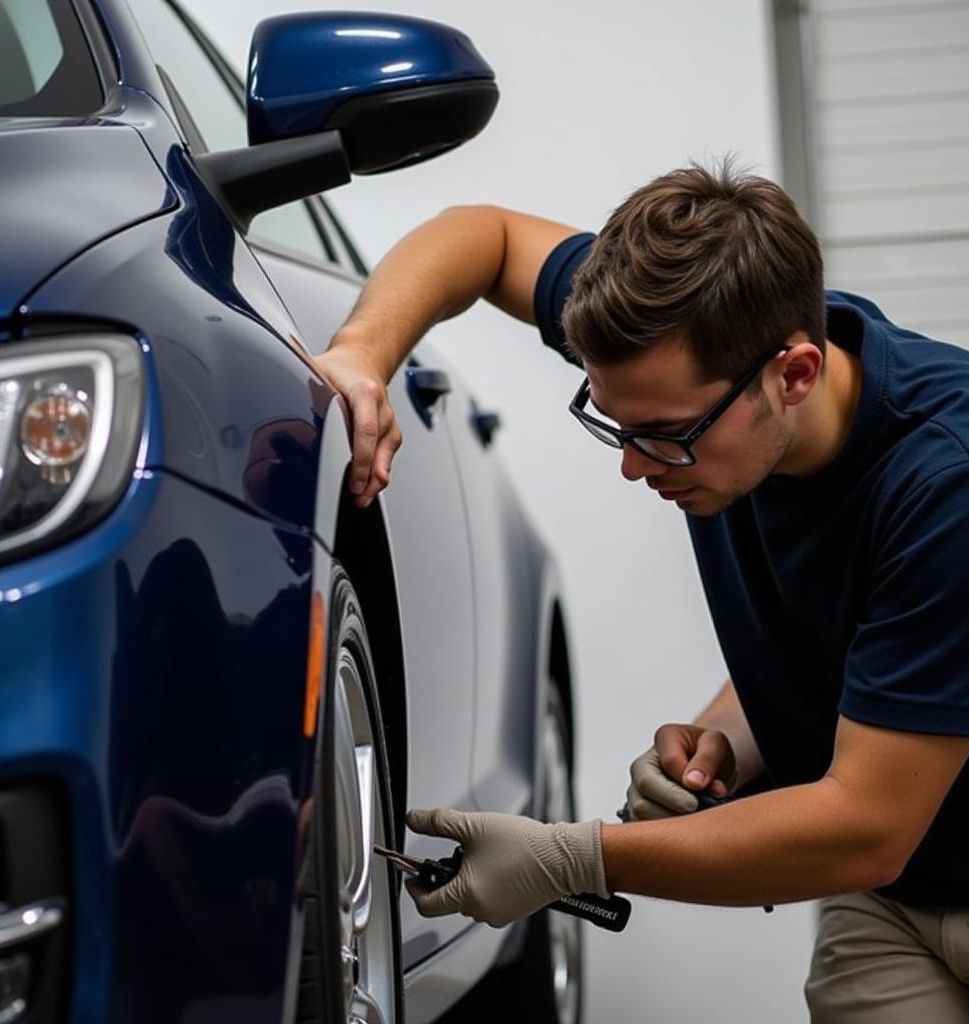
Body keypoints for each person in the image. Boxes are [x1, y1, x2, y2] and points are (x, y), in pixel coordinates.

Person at [313, 162, 969, 1022]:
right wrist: (362, 357)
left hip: (879, 845)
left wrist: (580, 858)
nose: (632, 466)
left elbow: (865, 827)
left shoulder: (944, 487)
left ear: (796, 374)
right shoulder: (694, 339)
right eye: (616, 425)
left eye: (662, 436)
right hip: (892, 900)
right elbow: (486, 236)